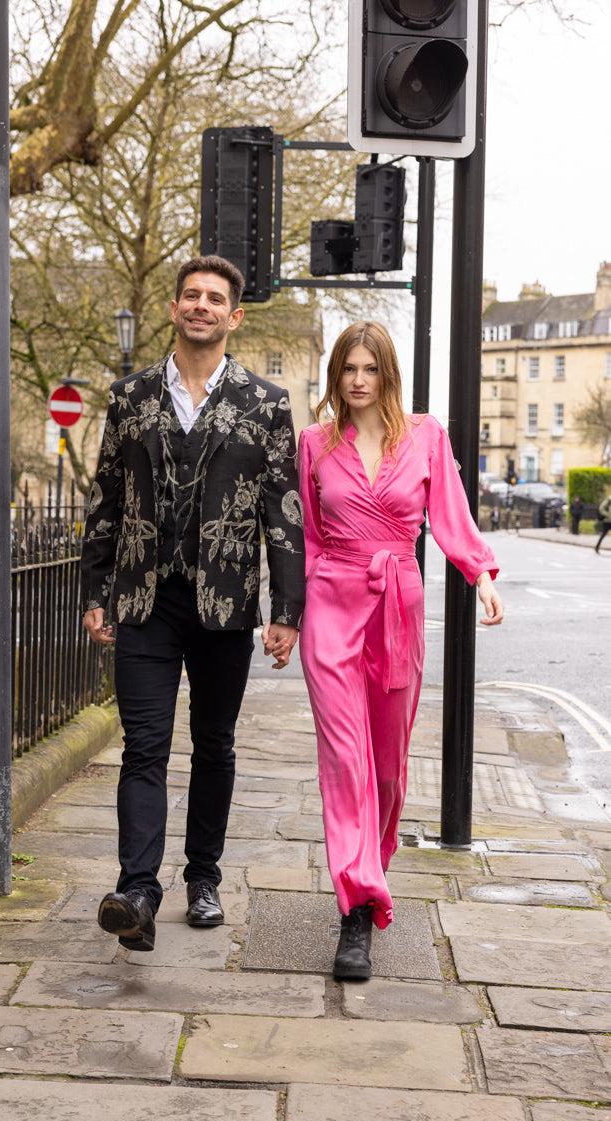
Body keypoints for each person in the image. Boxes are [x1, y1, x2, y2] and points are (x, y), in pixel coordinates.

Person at [81, 255, 305, 952]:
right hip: (145, 600)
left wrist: (285, 612)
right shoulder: (130, 397)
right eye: (190, 296)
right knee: (144, 747)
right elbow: (107, 503)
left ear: (234, 316)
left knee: (214, 745)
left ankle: (203, 878)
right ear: (174, 309)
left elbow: (284, 515)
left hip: (226, 604)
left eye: (214, 298)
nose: (201, 305)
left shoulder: (265, 405)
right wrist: (96, 594)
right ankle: (138, 892)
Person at [298, 321, 504, 983]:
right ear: (337, 375)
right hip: (330, 605)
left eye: (370, 368)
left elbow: (451, 516)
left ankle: (372, 864)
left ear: (387, 373)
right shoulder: (312, 444)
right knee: (346, 758)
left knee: (387, 768)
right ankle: (357, 906)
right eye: (348, 369)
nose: (358, 380)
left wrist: (481, 573)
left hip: (398, 609)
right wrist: (286, 613)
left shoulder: (426, 437)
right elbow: (304, 535)